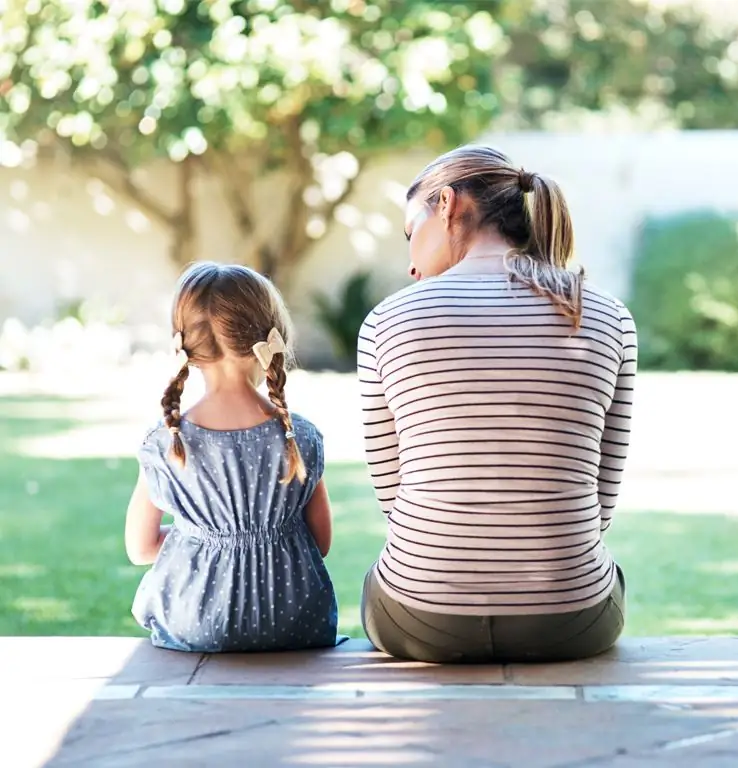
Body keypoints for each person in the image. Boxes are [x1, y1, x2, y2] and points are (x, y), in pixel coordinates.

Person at [357, 145, 637, 663]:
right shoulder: (606, 315)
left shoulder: (386, 321)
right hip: (570, 619)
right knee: (606, 573)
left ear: (446, 204)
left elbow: (393, 498)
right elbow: (600, 501)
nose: (411, 262)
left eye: (408, 233)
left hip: (421, 619)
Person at [126, 262, 341, 653]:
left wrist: (203, 537)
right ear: (270, 336)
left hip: (196, 623)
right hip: (294, 622)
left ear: (185, 346)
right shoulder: (301, 436)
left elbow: (140, 549)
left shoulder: (166, 442)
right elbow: (321, 542)